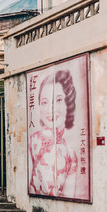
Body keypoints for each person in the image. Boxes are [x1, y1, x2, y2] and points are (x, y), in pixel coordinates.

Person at [29, 69, 77, 197]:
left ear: (68, 104)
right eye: (44, 102)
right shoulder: (32, 142)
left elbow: (69, 197)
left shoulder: (71, 154)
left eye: (59, 100)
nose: (51, 108)